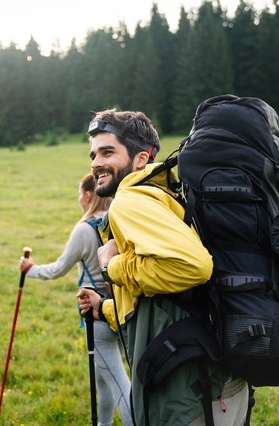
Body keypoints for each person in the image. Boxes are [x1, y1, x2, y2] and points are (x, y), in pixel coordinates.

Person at [77, 109, 248, 425]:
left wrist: (111, 266)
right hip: (219, 379)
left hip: (187, 393)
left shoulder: (131, 201)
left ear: (141, 159)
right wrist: (104, 309)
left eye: (107, 152)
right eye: (93, 154)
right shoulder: (166, 195)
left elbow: (195, 268)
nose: (95, 162)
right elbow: (161, 299)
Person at [19, 173, 133, 426]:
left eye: (80, 194)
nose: (79, 199)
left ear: (89, 195)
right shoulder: (119, 220)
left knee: (118, 382)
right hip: (124, 308)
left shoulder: (85, 229)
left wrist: (31, 269)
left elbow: (59, 268)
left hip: (96, 314)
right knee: (103, 377)